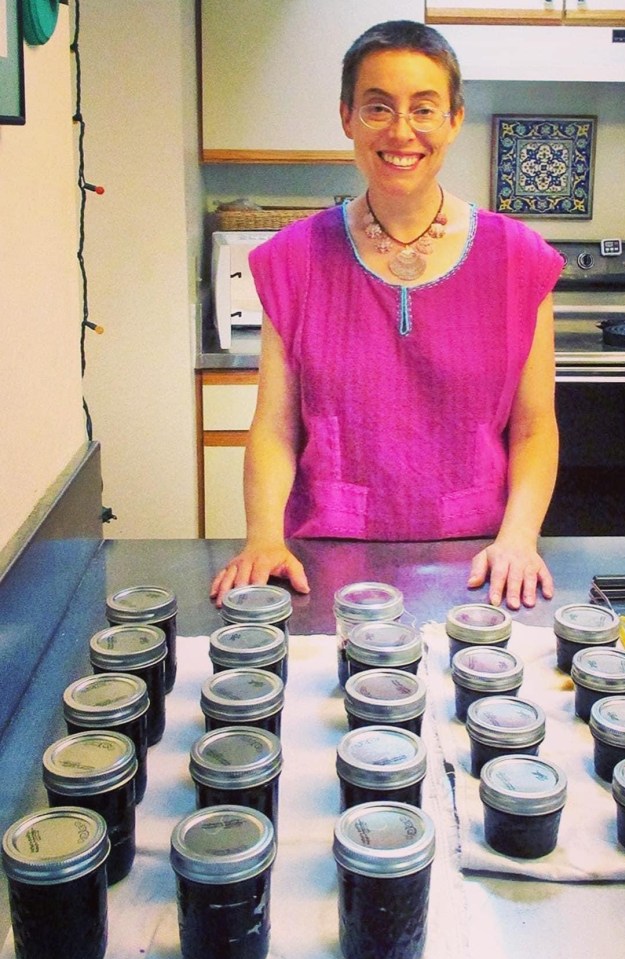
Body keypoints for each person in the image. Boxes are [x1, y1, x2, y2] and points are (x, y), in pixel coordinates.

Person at [210, 19, 564, 611]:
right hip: (322, 558)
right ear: (347, 117)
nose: (402, 131)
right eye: (378, 107)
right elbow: (275, 426)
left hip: (481, 559)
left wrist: (520, 538)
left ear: (454, 119)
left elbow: (534, 428)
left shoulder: (518, 259)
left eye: (423, 109)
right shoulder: (293, 260)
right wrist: (264, 536)